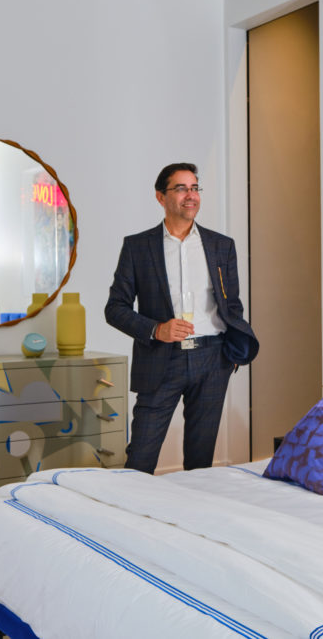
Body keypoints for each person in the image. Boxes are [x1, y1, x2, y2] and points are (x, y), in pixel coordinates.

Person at [105, 163, 259, 474]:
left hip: (212, 360)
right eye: (181, 188)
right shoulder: (137, 247)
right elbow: (115, 308)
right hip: (160, 358)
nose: (191, 196)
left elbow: (233, 306)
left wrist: (228, 357)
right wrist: (156, 329)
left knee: (201, 461)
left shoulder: (221, 246)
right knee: (140, 459)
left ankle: (191, 520)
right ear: (160, 197)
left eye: (195, 188)